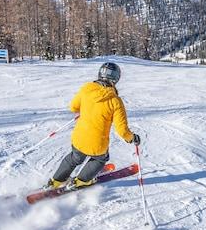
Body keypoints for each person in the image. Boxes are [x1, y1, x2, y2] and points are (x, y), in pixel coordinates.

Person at [44, 61, 140, 190]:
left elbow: (73, 107)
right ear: (116, 79)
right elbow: (122, 130)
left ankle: (55, 181)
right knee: (101, 159)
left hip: (79, 138)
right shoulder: (115, 101)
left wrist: (87, 108)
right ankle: (80, 181)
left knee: (75, 158)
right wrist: (132, 138)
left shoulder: (86, 89)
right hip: (97, 144)